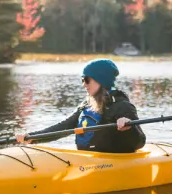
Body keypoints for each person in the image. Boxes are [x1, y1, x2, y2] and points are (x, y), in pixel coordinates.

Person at [15, 59, 145, 154]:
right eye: (82, 80)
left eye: (87, 80)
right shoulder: (86, 105)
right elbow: (63, 127)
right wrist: (32, 137)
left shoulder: (123, 106)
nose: (84, 84)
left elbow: (140, 141)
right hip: (88, 160)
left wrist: (129, 126)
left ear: (101, 81)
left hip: (113, 163)